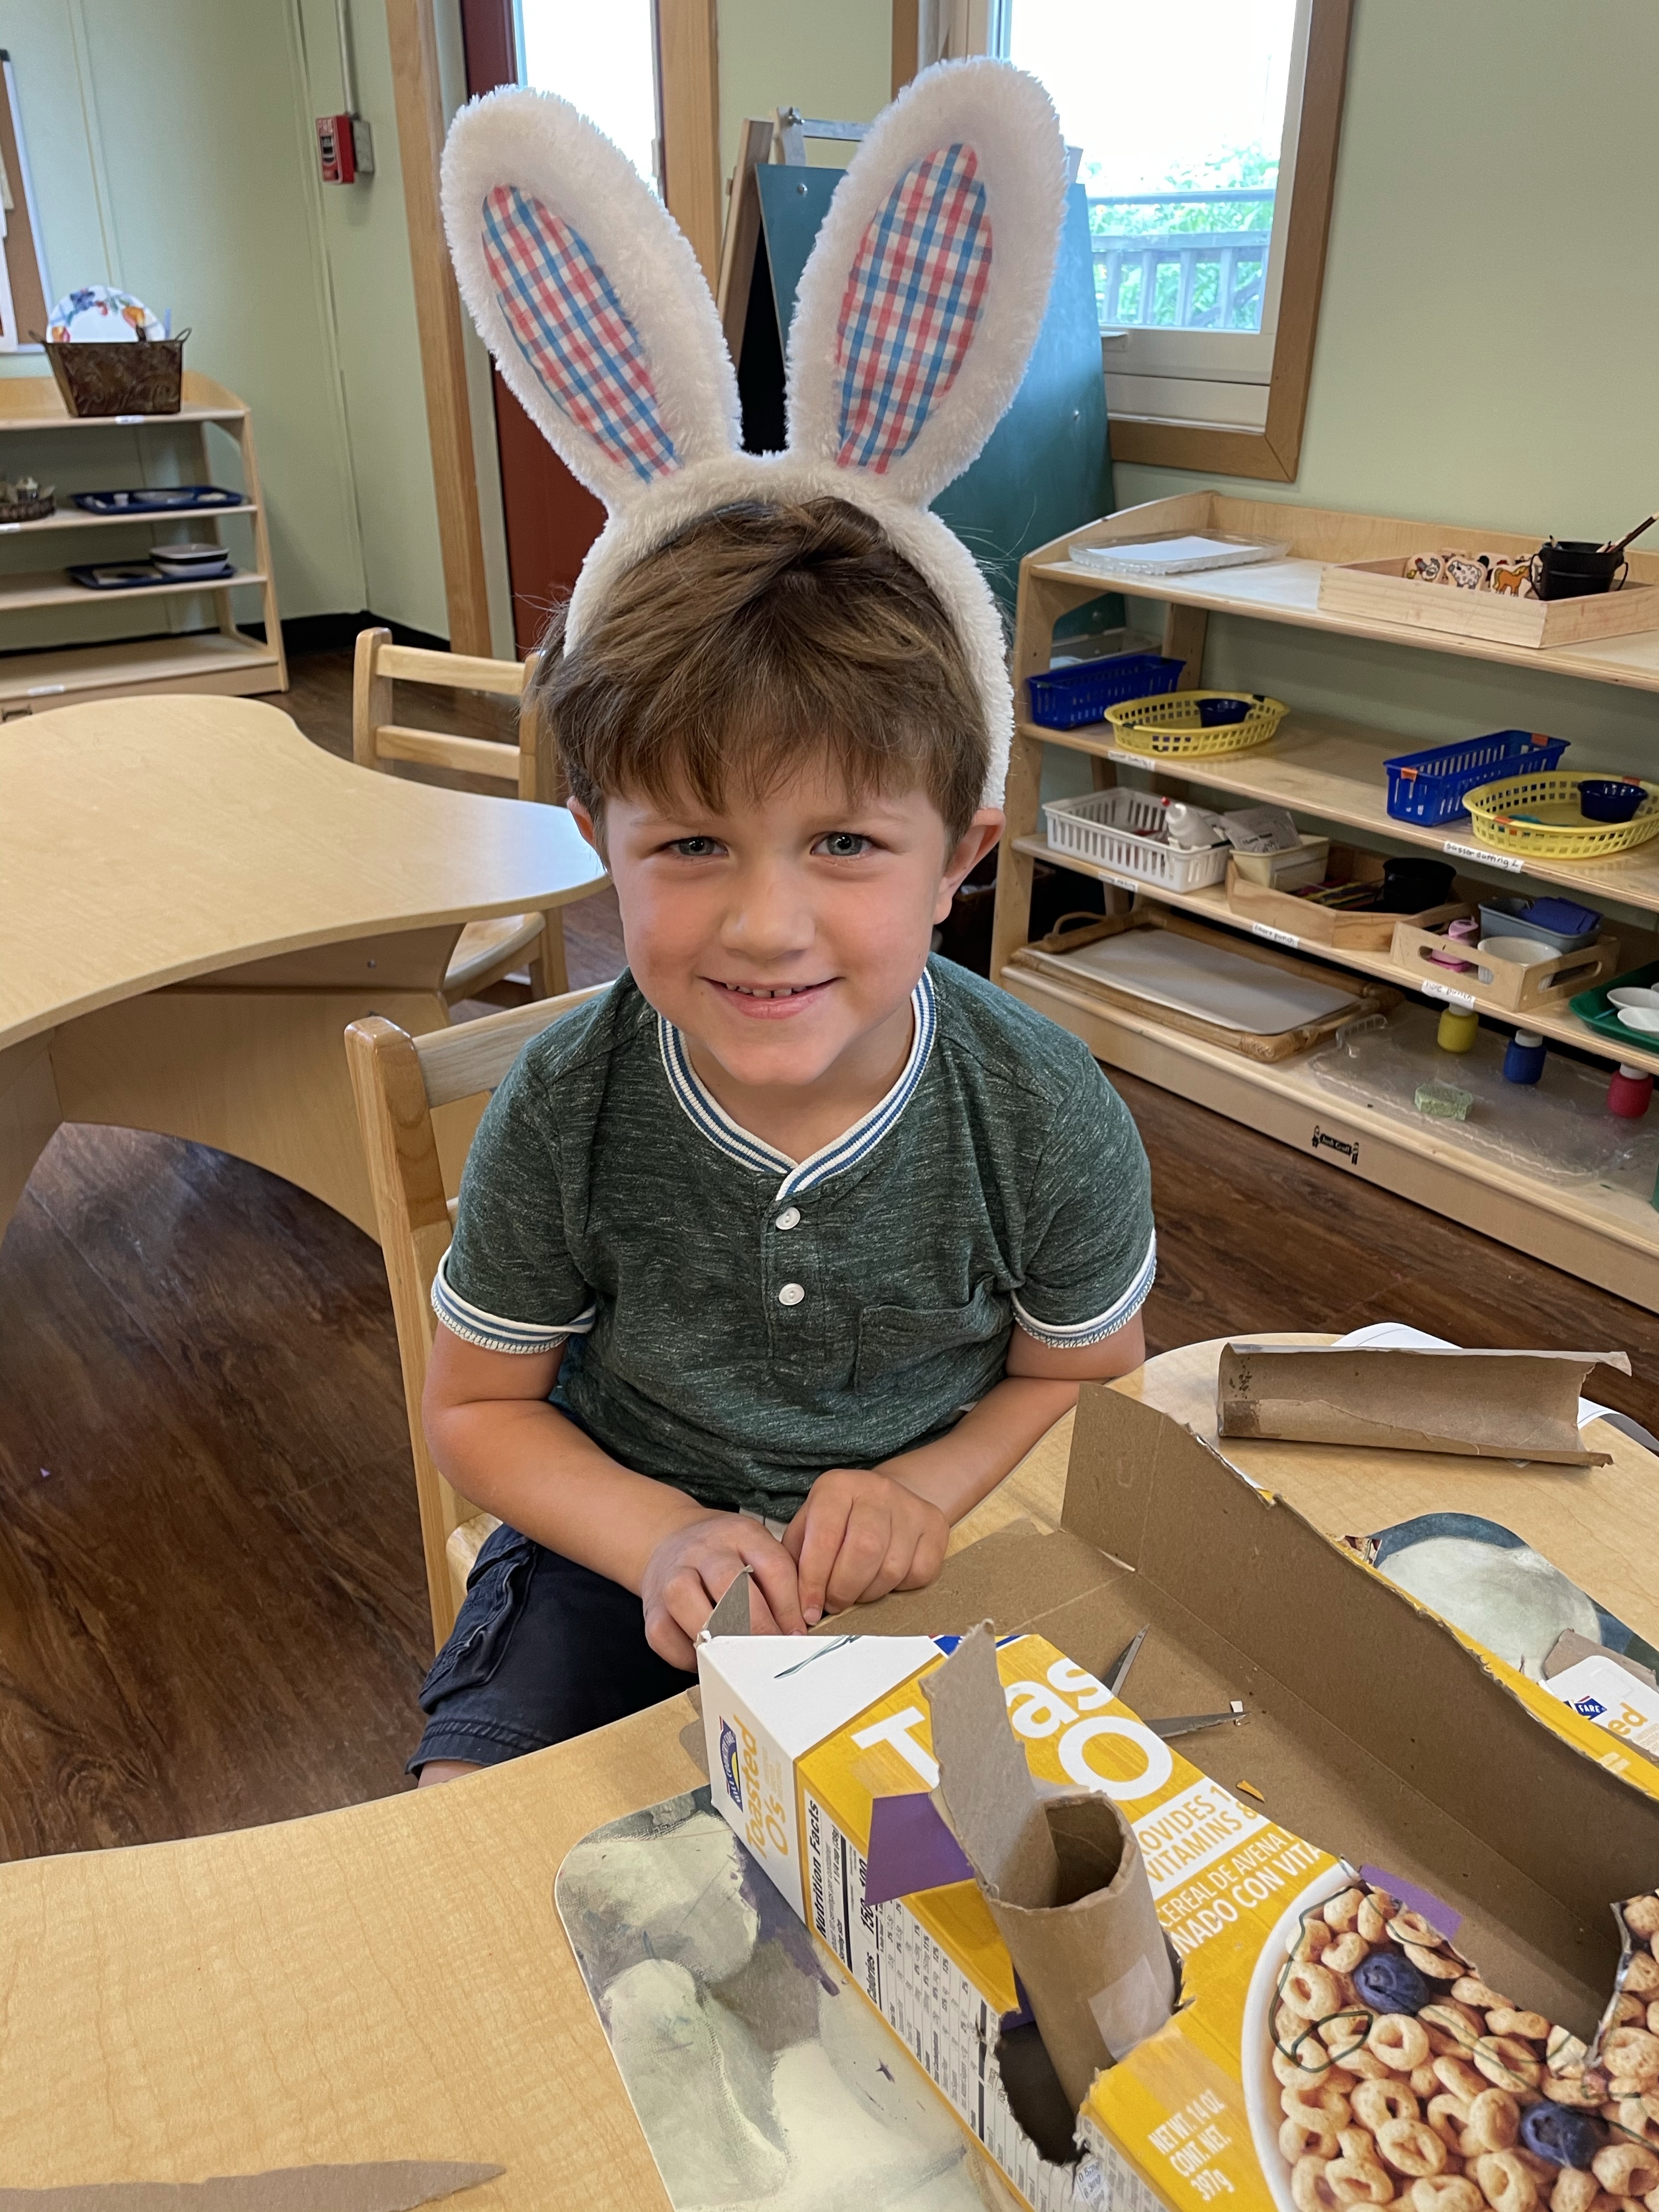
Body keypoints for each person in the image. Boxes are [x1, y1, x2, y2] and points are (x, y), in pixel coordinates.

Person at [413, 57, 1154, 1779]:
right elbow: (478, 1407)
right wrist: (656, 1534)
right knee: (474, 1840)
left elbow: (1092, 1378)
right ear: (599, 843)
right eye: (689, 844)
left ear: (961, 857)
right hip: (612, 1546)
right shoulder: (570, 1107)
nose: (764, 923)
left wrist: (924, 1487)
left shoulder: (1041, 1111)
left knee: (996, 1872)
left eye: (843, 842)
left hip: (938, 1552)